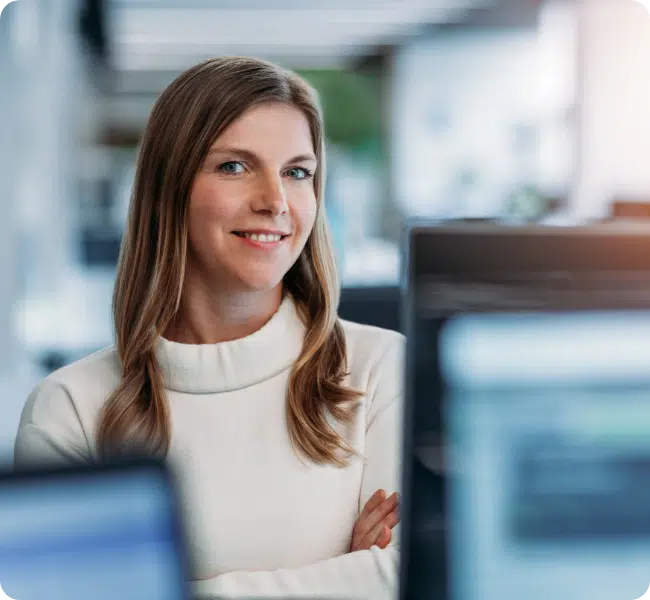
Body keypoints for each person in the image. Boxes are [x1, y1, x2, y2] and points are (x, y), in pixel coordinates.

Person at [14, 56, 404, 599]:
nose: (275, 201)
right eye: (235, 167)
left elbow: (406, 578)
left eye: (297, 172)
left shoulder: (380, 371)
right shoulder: (71, 410)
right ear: (170, 188)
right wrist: (340, 576)